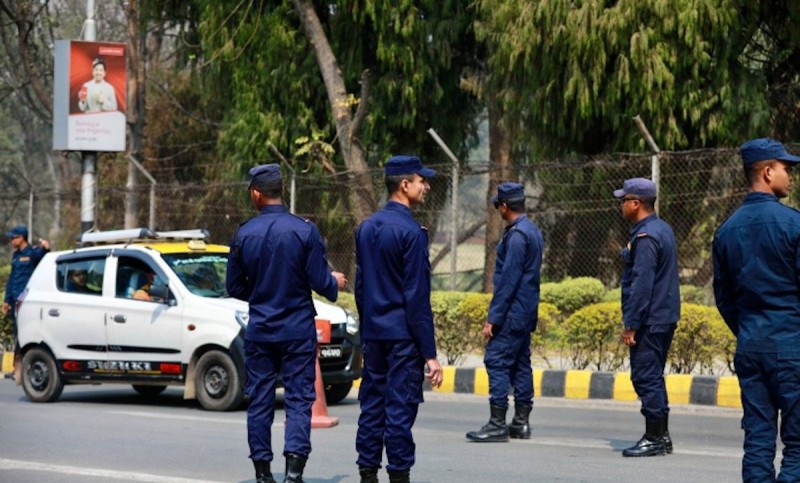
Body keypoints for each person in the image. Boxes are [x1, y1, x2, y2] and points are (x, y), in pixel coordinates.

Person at [226, 163, 346, 483]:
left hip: (261, 331)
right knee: (298, 401)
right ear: (279, 191)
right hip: (297, 331)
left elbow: (234, 287)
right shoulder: (304, 230)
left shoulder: (243, 233)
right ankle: (294, 474)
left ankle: (263, 473)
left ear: (256, 193)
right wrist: (335, 283)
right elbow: (321, 283)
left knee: (260, 401)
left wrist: (263, 291)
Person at [712, 137, 800, 481]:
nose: (790, 176)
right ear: (767, 172)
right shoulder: (794, 225)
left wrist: (748, 329)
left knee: (759, 440)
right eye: (785, 169)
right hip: (792, 345)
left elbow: (724, 297)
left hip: (751, 345)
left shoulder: (726, 230)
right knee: (797, 443)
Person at [354, 155, 444, 483]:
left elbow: (361, 288)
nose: (427, 186)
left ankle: (367, 474)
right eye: (422, 180)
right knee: (399, 411)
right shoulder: (411, 233)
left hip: (375, 335)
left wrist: (368, 330)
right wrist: (430, 354)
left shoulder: (365, 229)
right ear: (404, 186)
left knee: (372, 407)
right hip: (403, 338)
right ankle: (399, 476)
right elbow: (416, 299)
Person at [466, 182, 543, 443]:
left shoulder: (518, 236)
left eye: (498, 205)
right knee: (521, 363)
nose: (497, 209)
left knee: (496, 360)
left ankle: (497, 423)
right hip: (525, 310)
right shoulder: (531, 231)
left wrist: (493, 318)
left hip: (511, 312)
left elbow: (508, 280)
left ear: (505, 206)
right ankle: (521, 422)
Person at [614, 178, 680, 457]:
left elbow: (642, 284)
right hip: (663, 316)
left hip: (650, 319)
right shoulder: (660, 228)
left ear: (635, 203)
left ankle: (654, 437)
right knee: (653, 376)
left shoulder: (646, 237)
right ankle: (661, 436)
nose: (620, 206)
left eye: (623, 200)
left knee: (644, 378)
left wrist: (631, 324)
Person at [3, 225, 50, 350]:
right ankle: (17, 365)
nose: (11, 241)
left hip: (26, 301)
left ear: (21, 238)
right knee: (17, 333)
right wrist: (7, 300)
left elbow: (44, 258)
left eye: (13, 238)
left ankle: (23, 362)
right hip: (15, 299)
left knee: (26, 332)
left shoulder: (33, 253)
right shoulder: (15, 255)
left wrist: (46, 249)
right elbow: (12, 278)